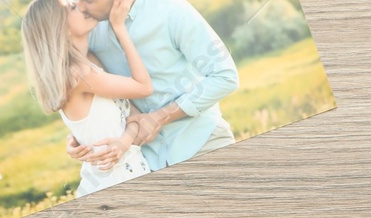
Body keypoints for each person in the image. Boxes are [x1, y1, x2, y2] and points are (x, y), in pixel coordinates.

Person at [66, 0, 239, 174]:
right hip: (148, 163)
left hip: (204, 144)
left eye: (89, 1)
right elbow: (88, 86)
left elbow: (225, 76)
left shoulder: (170, 9)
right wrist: (82, 135)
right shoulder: (93, 29)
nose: (81, 7)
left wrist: (160, 118)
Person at [22, 0, 152, 197]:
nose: (81, 6)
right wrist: (119, 27)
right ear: (61, 28)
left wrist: (124, 140)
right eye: (72, 8)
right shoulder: (79, 74)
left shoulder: (89, 61)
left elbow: (132, 112)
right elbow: (144, 87)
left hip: (131, 171)